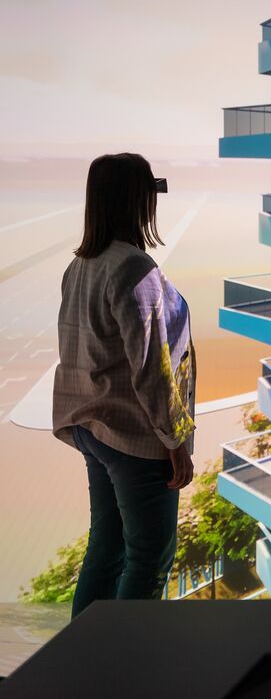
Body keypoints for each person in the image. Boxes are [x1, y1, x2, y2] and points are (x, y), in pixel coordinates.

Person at [52, 154, 196, 618]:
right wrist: (175, 442)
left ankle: (82, 662)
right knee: (149, 561)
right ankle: (127, 675)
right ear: (136, 201)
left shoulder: (81, 266)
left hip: (94, 429)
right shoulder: (136, 270)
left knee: (107, 550)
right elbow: (153, 371)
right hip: (135, 438)